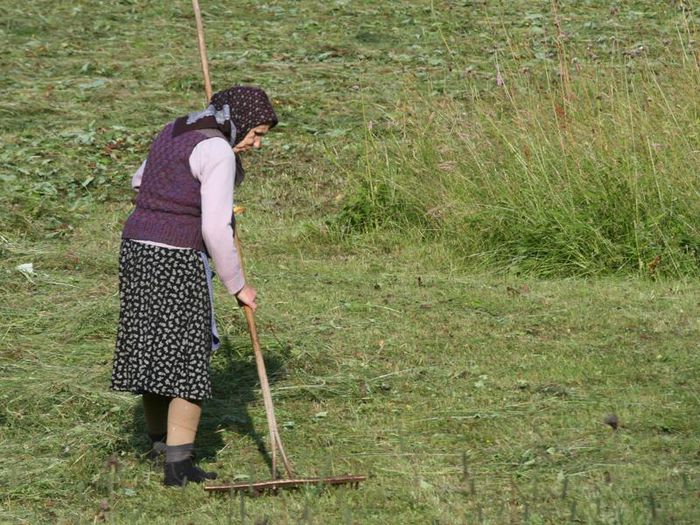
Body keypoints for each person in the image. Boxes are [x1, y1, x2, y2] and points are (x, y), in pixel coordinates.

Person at [110, 85, 278, 486]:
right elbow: (215, 231)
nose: (254, 143)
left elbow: (140, 182)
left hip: (136, 246)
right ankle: (179, 467)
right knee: (187, 358)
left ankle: (158, 448)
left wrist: (183, 195)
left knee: (152, 350)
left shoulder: (176, 128)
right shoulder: (218, 149)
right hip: (176, 255)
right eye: (254, 133)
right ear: (235, 121)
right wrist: (239, 287)